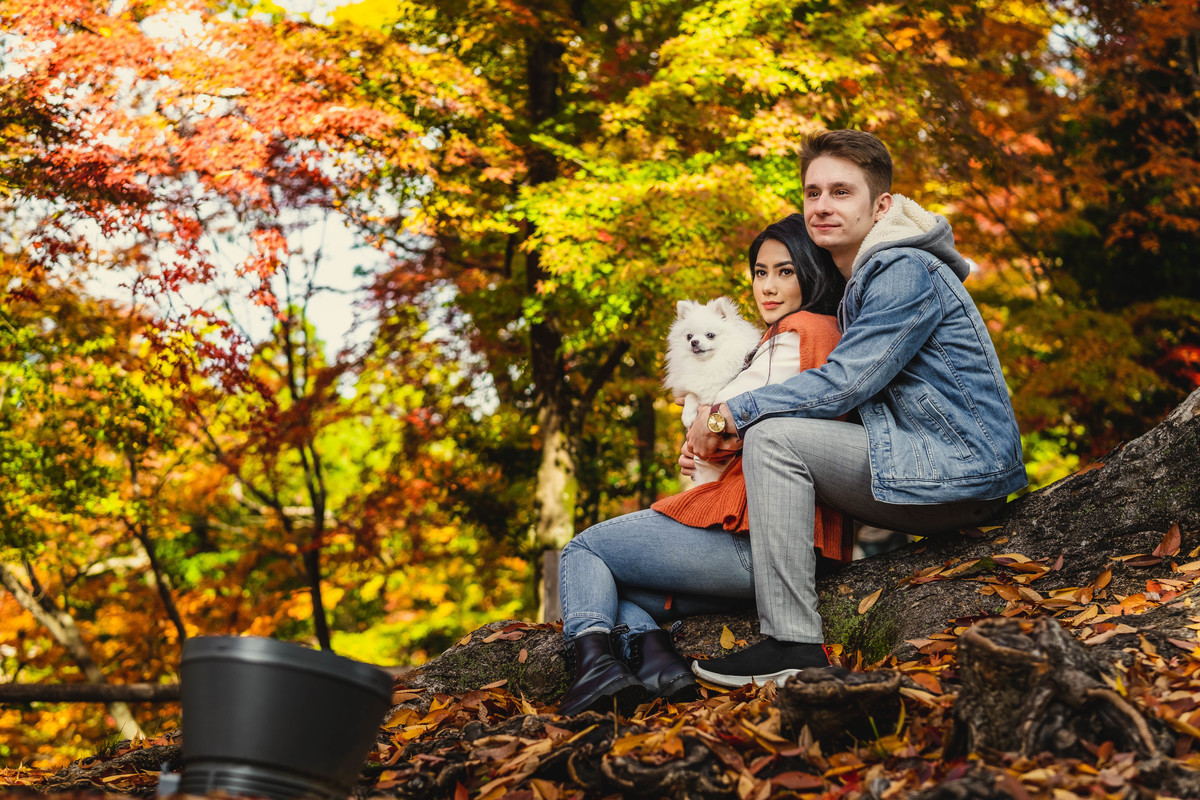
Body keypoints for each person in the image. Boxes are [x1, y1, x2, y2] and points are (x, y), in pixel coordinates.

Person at [685, 129, 1027, 688]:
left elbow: (847, 383)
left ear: (881, 206)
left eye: (841, 192)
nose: (822, 205)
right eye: (812, 192)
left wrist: (728, 414)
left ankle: (793, 643)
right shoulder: (861, 282)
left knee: (774, 437)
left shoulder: (903, 269)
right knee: (773, 435)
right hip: (927, 467)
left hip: (960, 471)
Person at [557, 214, 849, 716]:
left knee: (584, 550)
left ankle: (593, 667)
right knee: (618, 587)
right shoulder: (831, 333)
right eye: (760, 272)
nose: (768, 286)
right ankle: (661, 668)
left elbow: (718, 424)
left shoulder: (796, 333)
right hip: (800, 549)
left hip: (752, 538)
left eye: (785, 271)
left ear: (812, 271)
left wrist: (700, 433)